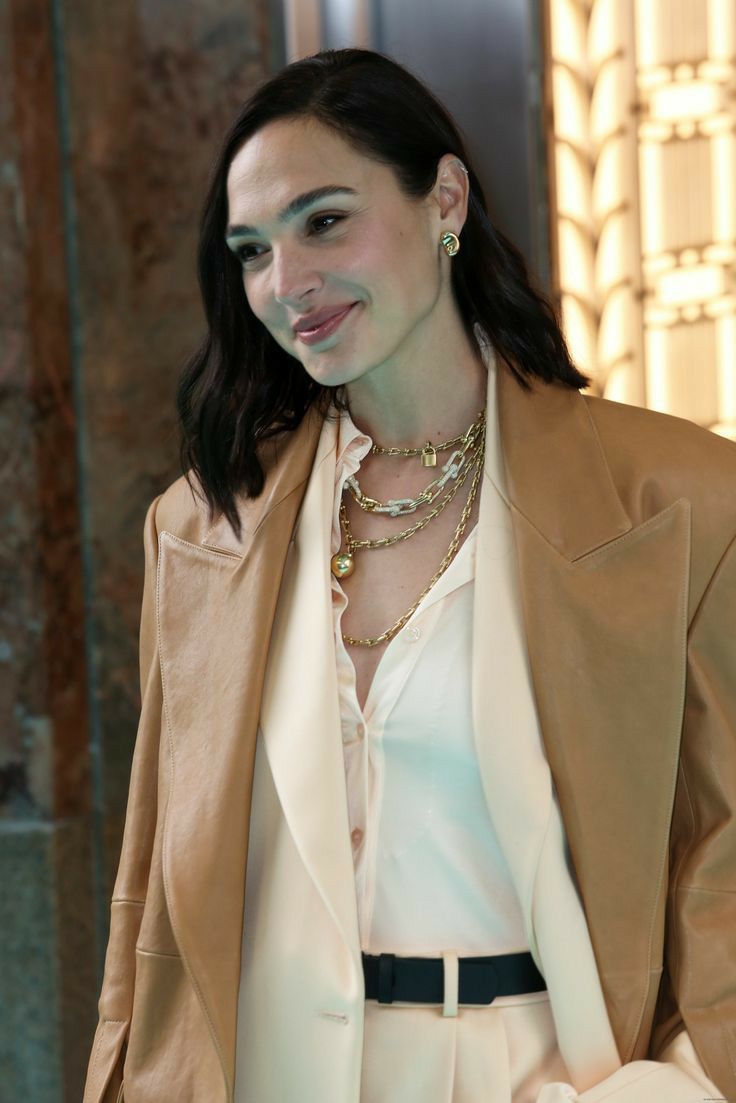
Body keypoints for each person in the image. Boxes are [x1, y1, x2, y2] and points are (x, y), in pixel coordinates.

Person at [82, 48, 736, 1103]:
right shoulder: (202, 529)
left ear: (445, 200)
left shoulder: (678, 500)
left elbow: (726, 857)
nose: (285, 283)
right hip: (271, 1068)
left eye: (324, 220)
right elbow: (151, 898)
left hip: (535, 1071)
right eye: (251, 251)